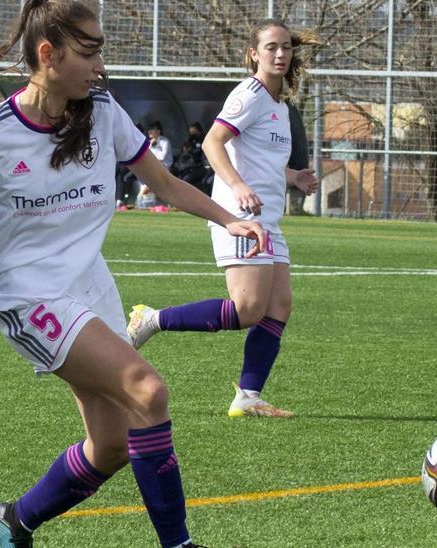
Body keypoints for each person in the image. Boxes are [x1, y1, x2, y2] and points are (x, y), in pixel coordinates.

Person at [0, 2, 264, 546]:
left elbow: (166, 185)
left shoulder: (103, 112)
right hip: (28, 298)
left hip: (90, 289)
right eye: (91, 51)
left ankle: (15, 521)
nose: (101, 66)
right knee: (147, 390)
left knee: (113, 446)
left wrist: (230, 219)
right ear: (48, 55)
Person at [126, 19, 319, 419]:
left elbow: (260, 161)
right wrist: (237, 187)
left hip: (267, 217)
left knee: (279, 305)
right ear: (253, 54)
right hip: (238, 213)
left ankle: (248, 396)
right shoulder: (248, 94)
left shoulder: (280, 104)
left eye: (285, 47)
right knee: (248, 308)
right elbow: (213, 142)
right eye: (271, 47)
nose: (280, 54)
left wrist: (294, 177)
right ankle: (151, 319)